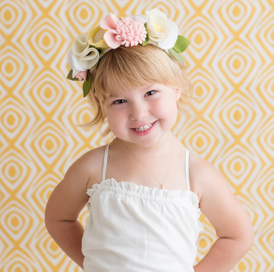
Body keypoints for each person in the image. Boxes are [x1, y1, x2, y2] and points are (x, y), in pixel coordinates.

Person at [45, 8, 254, 271]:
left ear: (176, 89)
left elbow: (237, 235)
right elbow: (58, 218)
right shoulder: (93, 166)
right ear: (102, 104)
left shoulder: (197, 174)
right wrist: (91, 263)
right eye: (120, 101)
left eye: (151, 92)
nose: (138, 113)